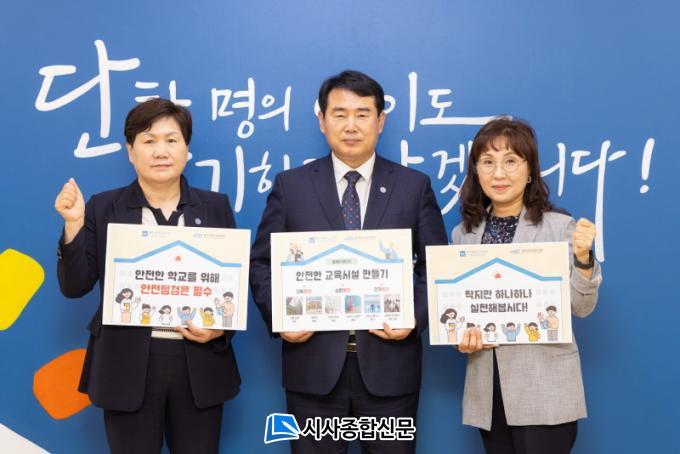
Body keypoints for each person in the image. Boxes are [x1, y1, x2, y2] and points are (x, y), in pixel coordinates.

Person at [249, 70, 448, 454]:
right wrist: (281, 317)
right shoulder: (291, 186)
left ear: (380, 120)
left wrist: (414, 319)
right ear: (322, 121)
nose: (351, 125)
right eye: (339, 114)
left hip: (391, 371)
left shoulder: (413, 186)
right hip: (312, 370)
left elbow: (435, 266)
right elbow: (261, 264)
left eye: (362, 114)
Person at [54, 99, 241, 454]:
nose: (161, 151)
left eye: (171, 140)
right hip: (126, 364)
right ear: (130, 151)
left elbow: (231, 286)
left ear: (186, 149)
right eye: (148, 140)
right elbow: (75, 286)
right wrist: (74, 223)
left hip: (198, 362)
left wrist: (220, 328)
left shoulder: (215, 207)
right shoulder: (102, 207)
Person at [453, 117, 602, 454]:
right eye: (487, 162)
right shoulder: (463, 235)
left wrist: (583, 258)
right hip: (489, 393)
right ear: (476, 171)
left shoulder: (560, 228)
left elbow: (582, 307)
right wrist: (461, 338)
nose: (499, 173)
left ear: (530, 170)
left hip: (544, 389)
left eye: (510, 161)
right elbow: (461, 313)